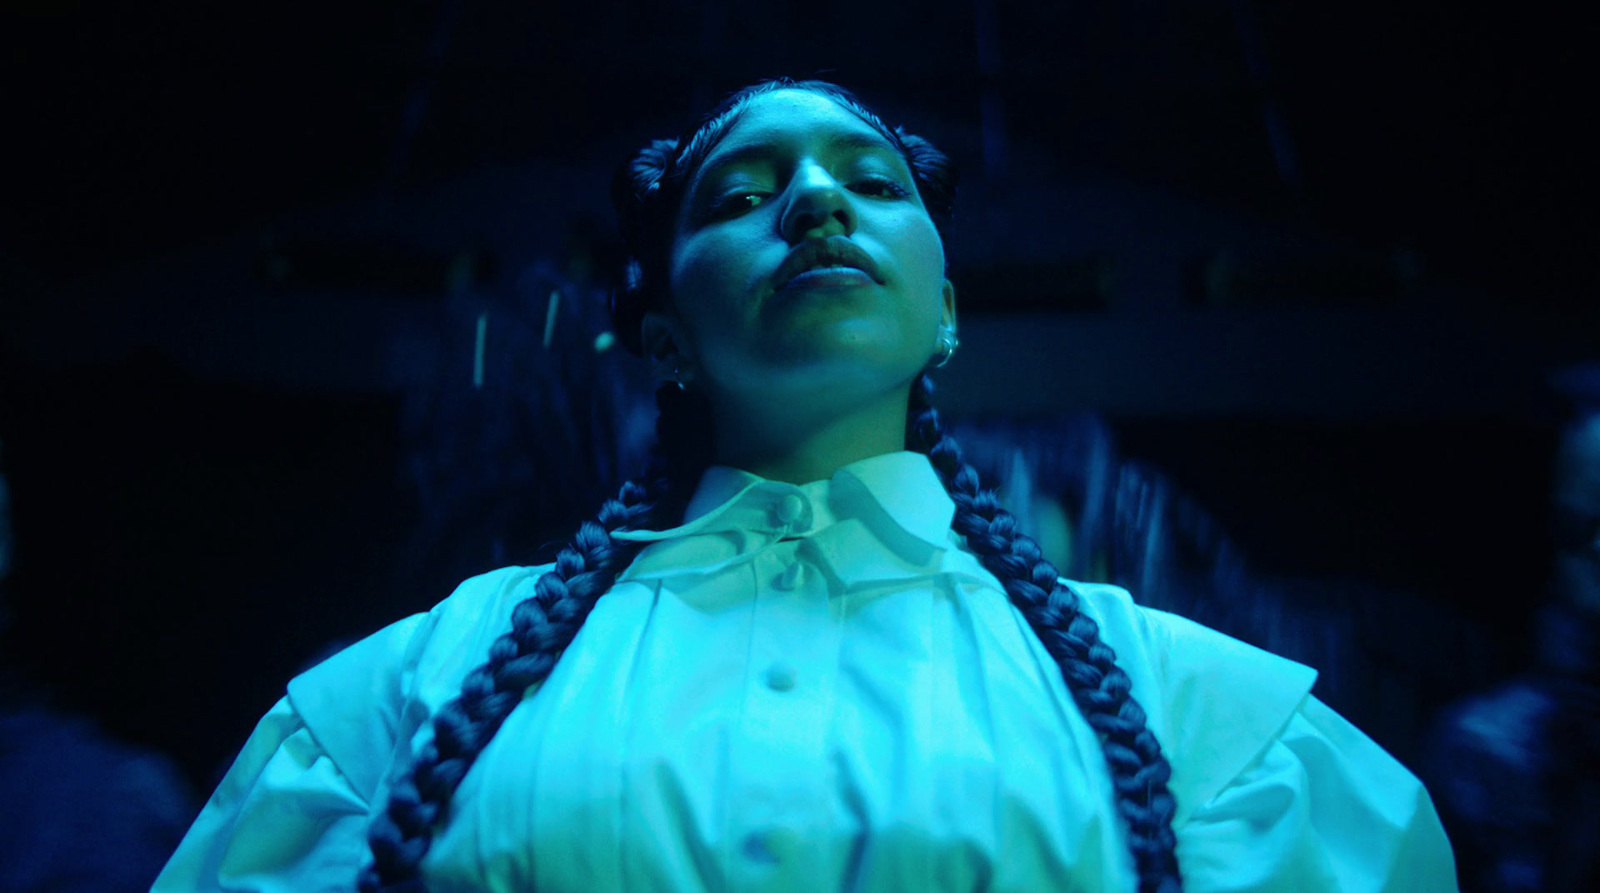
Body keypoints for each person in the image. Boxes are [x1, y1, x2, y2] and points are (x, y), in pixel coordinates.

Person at [153, 78, 1457, 893]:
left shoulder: (1204, 717)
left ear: (944, 306)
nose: (821, 202)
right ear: (661, 332)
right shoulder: (412, 690)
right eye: (745, 190)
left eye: (871, 178)